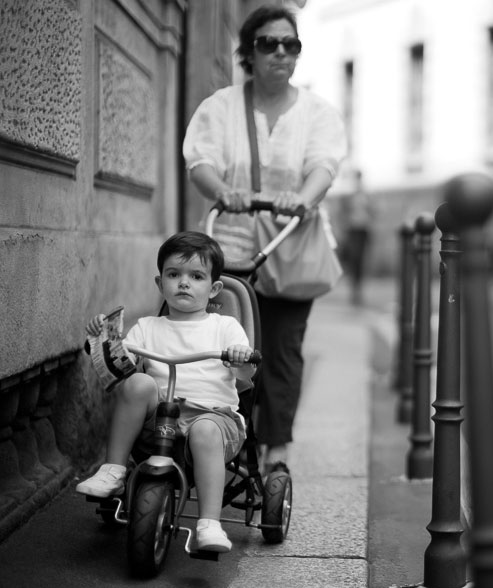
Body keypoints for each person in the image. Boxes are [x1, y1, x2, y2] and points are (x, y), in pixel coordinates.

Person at [182, 5, 347, 476]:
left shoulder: (318, 113)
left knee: (283, 351)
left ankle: (275, 449)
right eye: (268, 43)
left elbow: (324, 165)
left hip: (290, 248)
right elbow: (201, 164)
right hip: (231, 250)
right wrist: (222, 192)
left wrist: (304, 197)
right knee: (226, 348)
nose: (280, 52)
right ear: (249, 52)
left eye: (289, 44)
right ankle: (226, 436)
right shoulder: (220, 107)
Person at [76, 231, 257, 553]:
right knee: (139, 382)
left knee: (204, 430)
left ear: (214, 288)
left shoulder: (224, 327)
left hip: (214, 419)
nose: (183, 283)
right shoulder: (147, 327)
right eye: (174, 275)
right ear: (160, 284)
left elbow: (246, 375)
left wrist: (241, 356)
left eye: (196, 276)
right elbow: (122, 367)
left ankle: (209, 523)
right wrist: (104, 341)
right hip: (159, 421)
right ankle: (114, 469)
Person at [340, 169, 376, 306]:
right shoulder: (351, 196)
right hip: (353, 230)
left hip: (363, 230)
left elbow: (373, 212)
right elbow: (344, 214)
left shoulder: (366, 195)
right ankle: (354, 290)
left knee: (361, 260)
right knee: (354, 260)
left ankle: (358, 290)